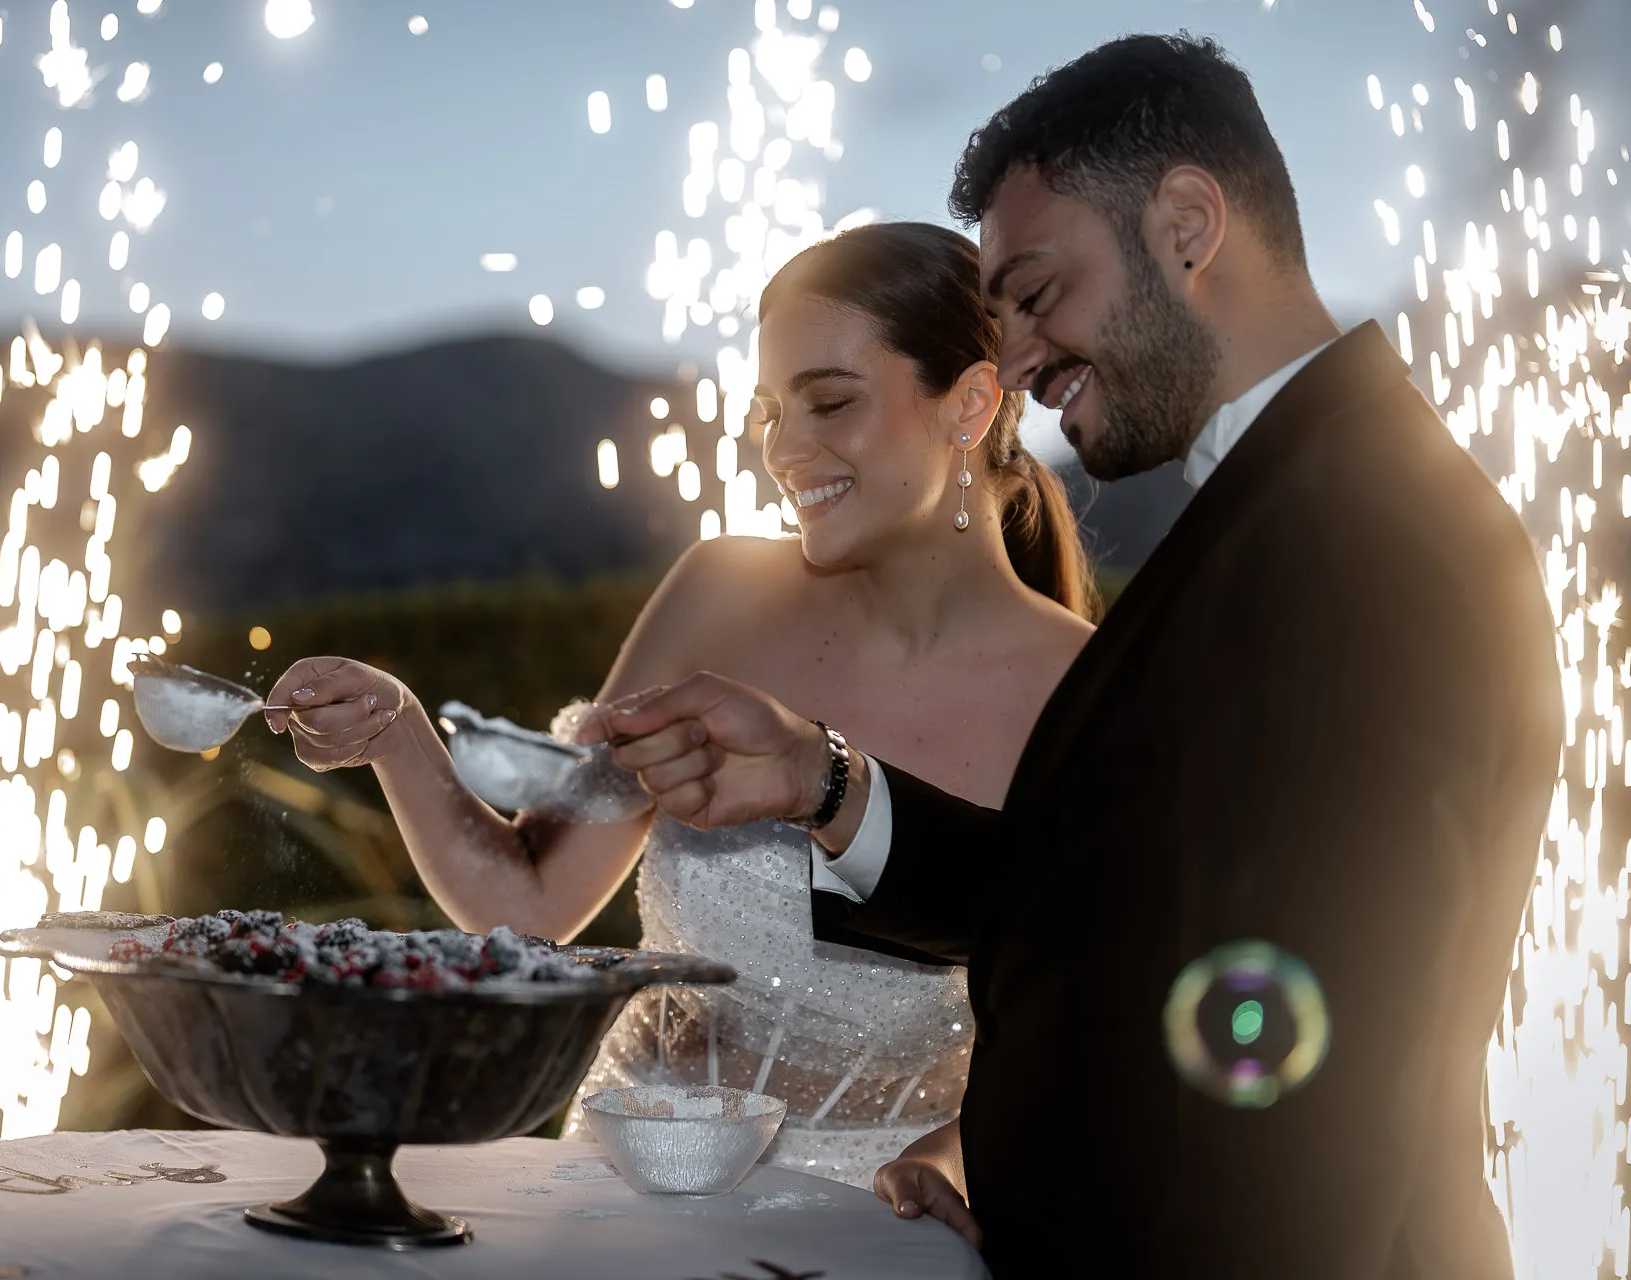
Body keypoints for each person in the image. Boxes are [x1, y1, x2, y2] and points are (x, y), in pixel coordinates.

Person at [580, 34, 1561, 1279]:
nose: (1024, 360)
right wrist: (825, 785)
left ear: (1188, 225)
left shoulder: (1371, 536)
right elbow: (1130, 902)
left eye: (1038, 294)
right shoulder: (1277, 510)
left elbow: (1327, 1066)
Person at [260, 221, 1096, 1185]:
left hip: (887, 1219)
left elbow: (1085, 1027)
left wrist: (959, 1155)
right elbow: (527, 902)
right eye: (770, 412)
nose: (786, 449)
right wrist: (398, 730)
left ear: (972, 403)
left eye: (829, 402)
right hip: (626, 1188)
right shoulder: (720, 591)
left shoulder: (1085, 693)